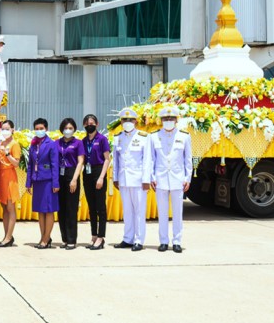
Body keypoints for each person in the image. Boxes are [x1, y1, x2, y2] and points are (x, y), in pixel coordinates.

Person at [150, 105, 192, 253]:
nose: (168, 120)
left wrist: (188, 178)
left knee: (177, 212)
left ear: (176, 120)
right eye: (165, 118)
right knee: (162, 212)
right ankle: (163, 241)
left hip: (178, 179)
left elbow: (188, 159)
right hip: (160, 179)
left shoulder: (184, 136)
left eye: (171, 118)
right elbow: (151, 159)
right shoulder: (154, 136)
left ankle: (177, 241)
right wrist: (152, 177)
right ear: (161, 120)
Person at [112, 108, 152, 251]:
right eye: (124, 120)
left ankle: (139, 240)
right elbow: (116, 159)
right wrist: (115, 178)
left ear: (135, 121)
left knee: (139, 211)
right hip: (124, 179)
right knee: (127, 211)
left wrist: (146, 180)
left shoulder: (144, 137)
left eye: (130, 120)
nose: (127, 122)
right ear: (121, 122)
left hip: (139, 180)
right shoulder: (118, 137)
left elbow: (147, 160)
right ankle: (128, 238)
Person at [25, 118, 60, 249]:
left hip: (48, 181)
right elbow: (30, 164)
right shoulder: (33, 144)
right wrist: (28, 182)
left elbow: (55, 165)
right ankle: (43, 237)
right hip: (37, 181)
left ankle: (46, 238)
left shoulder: (51, 144)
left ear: (46, 129)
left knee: (49, 210)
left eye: (41, 128)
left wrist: (55, 183)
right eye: (37, 129)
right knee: (40, 210)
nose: (39, 131)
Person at [82, 114, 111, 250]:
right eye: (87, 124)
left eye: (92, 123)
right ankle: (94, 235)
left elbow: (107, 159)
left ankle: (101, 236)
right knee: (91, 207)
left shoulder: (102, 139)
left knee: (100, 207)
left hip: (99, 171)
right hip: (87, 173)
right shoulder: (83, 141)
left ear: (97, 124)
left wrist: (101, 177)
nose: (90, 126)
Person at [56, 118, 85, 249]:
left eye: (70, 128)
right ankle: (64, 238)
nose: (68, 130)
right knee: (61, 209)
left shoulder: (78, 143)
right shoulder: (57, 142)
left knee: (71, 208)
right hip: (59, 175)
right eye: (65, 128)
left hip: (72, 173)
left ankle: (72, 239)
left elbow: (80, 161)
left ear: (74, 129)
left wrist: (74, 179)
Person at [0, 119, 20, 247]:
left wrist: (7, 153)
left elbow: (16, 163)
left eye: (7, 129)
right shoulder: (0, 143)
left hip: (10, 177)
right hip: (1, 177)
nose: (5, 131)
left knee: (10, 208)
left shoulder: (14, 144)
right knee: (4, 208)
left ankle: (9, 236)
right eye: (3, 129)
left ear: (12, 130)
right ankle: (7, 235)